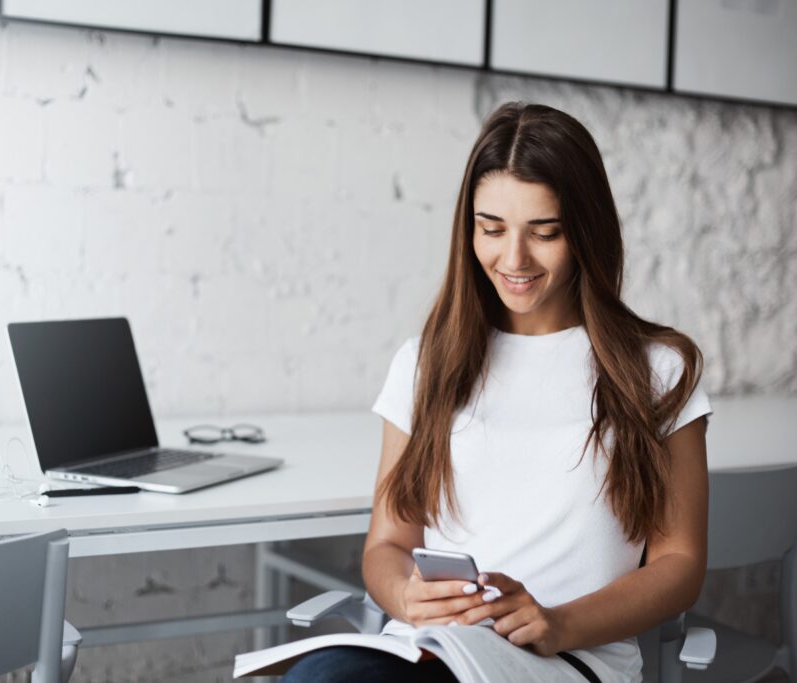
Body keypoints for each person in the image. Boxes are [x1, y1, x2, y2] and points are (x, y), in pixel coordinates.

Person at [283, 102, 711, 683]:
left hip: (567, 659)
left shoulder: (656, 371)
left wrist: (559, 623)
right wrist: (408, 597)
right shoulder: (426, 364)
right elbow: (388, 543)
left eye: (546, 232)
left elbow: (679, 564)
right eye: (491, 229)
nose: (514, 259)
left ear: (586, 230)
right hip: (431, 649)